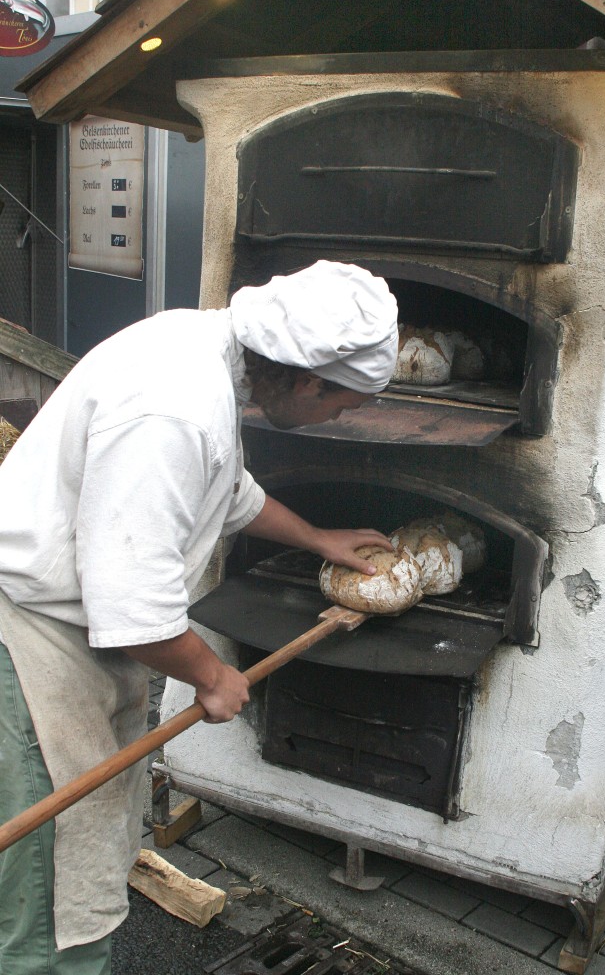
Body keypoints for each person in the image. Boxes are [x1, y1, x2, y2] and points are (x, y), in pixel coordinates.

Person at [0, 260, 399, 975]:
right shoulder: (175, 407)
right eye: (344, 404)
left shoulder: (198, 347)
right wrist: (212, 676)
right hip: (33, 648)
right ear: (308, 380)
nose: (343, 418)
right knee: (52, 908)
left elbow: (225, 485)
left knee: (57, 873)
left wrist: (316, 537)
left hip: (66, 636)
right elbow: (133, 607)